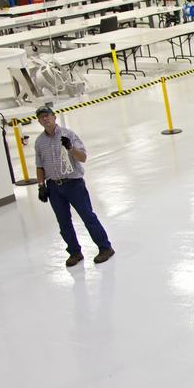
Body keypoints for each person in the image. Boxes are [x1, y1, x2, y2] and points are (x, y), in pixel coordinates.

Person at [33, 105, 114, 267]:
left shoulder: (68, 135)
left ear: (54, 117)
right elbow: (39, 165)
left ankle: (105, 247)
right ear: (39, 121)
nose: (45, 119)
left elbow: (83, 157)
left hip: (73, 184)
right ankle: (74, 252)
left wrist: (70, 148)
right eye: (41, 117)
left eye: (47, 115)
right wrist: (41, 186)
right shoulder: (39, 142)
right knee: (63, 222)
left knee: (87, 216)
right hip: (54, 187)